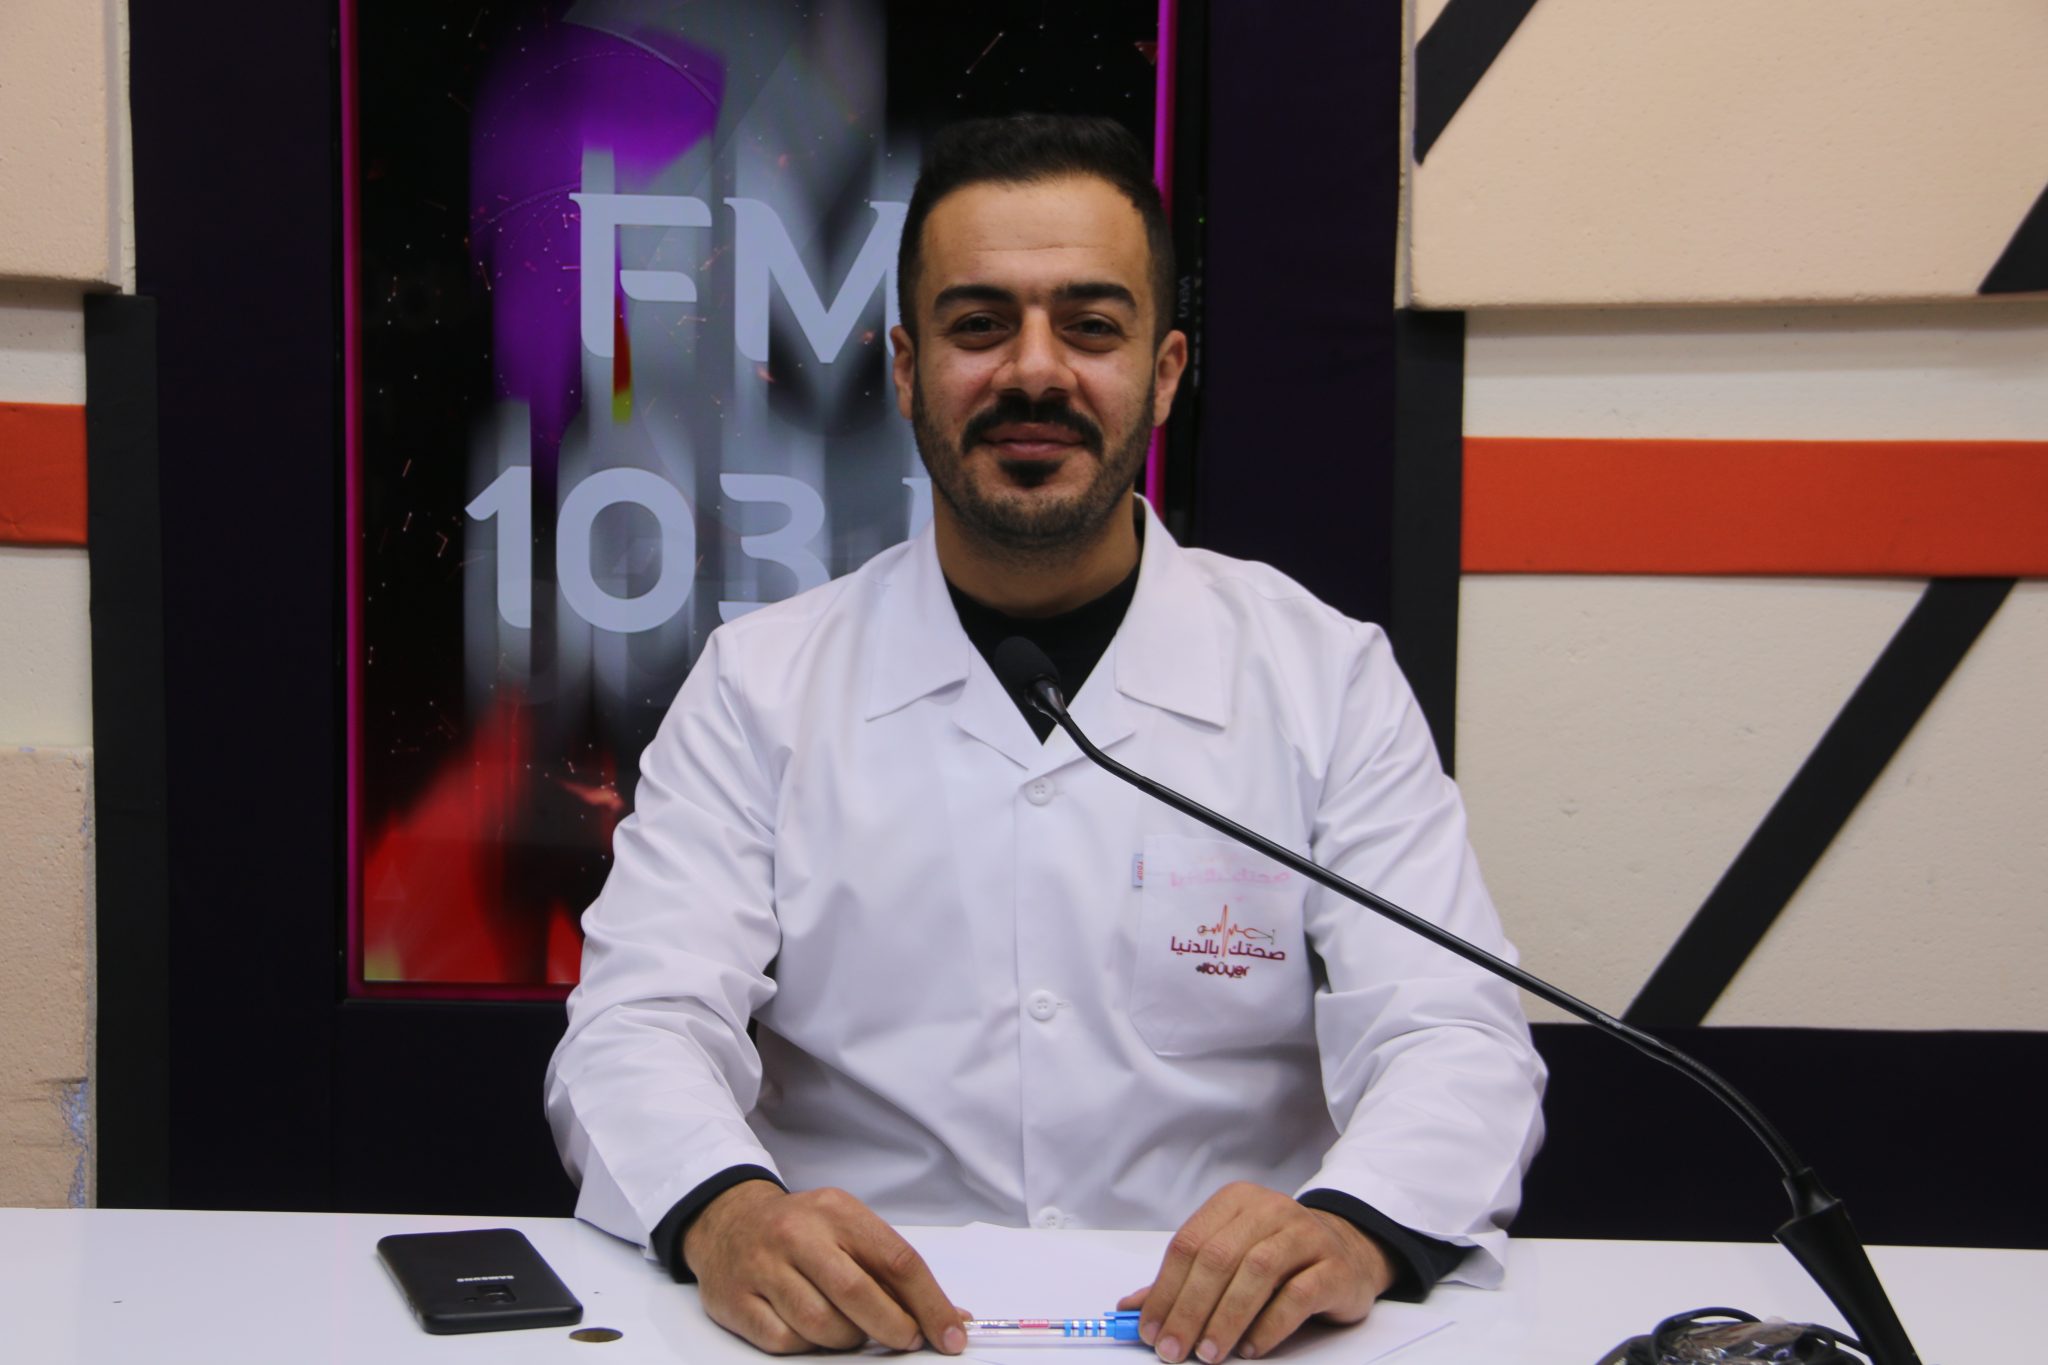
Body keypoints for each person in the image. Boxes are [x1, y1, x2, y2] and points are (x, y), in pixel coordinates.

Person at [546, 113, 1545, 1362]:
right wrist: (725, 1211)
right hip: (863, 1339)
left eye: (1090, 327)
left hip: (1227, 1344)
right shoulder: (761, 685)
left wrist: (1354, 1227)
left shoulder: (1320, 677)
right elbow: (636, 1026)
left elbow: (1452, 1035)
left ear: (1164, 373)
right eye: (978, 326)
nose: (1033, 372)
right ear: (905, 370)